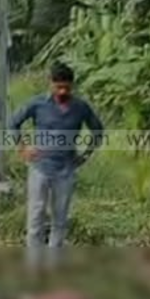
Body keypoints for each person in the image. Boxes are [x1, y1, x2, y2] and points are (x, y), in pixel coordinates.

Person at [9, 62, 104, 265]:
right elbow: (13, 123)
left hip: (66, 171)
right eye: (58, 87)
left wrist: (85, 155)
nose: (62, 91)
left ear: (72, 86)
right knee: (36, 216)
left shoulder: (80, 108)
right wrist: (23, 147)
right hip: (40, 168)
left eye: (66, 88)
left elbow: (98, 130)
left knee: (60, 219)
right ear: (50, 84)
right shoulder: (37, 104)